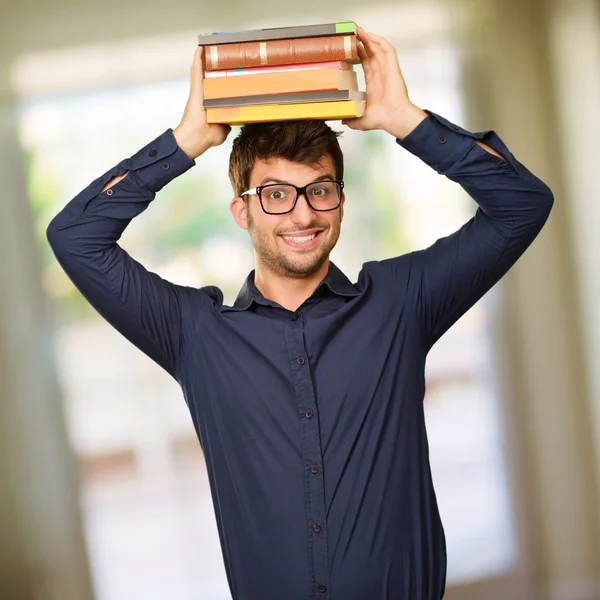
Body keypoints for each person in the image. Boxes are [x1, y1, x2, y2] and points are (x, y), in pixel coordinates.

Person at [47, 27, 553, 600]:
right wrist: (188, 139)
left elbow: (522, 206)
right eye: (276, 194)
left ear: (340, 199)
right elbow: (75, 237)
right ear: (243, 210)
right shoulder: (194, 334)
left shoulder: (400, 303)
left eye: (319, 190)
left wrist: (402, 118)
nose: (302, 214)